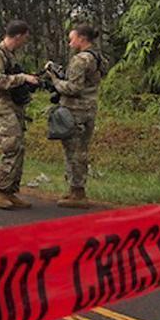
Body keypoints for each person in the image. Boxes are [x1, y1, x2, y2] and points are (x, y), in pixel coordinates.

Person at [46, 24, 104, 209]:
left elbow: (73, 88)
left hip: (75, 111)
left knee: (73, 150)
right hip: (89, 108)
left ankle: (78, 192)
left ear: (82, 39)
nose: (70, 41)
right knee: (82, 149)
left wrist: (55, 81)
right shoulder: (98, 57)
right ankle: (75, 189)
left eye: (72, 38)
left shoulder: (80, 60)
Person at [0, 20, 40, 210]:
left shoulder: (11, 56)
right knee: (11, 146)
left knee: (20, 147)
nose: (25, 41)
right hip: (2, 106)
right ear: (18, 36)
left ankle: (10, 190)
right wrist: (22, 78)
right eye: (25, 37)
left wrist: (28, 81)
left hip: (14, 106)